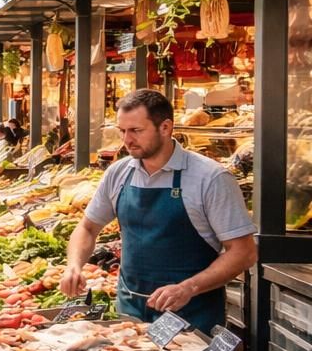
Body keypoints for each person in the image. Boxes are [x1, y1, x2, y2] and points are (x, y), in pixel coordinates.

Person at [59, 89, 256, 333]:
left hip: (191, 315)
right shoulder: (119, 173)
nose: (127, 140)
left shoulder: (210, 178)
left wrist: (189, 288)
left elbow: (243, 252)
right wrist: (74, 265)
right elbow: (87, 228)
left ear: (165, 127)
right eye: (123, 131)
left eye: (136, 131)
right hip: (129, 311)